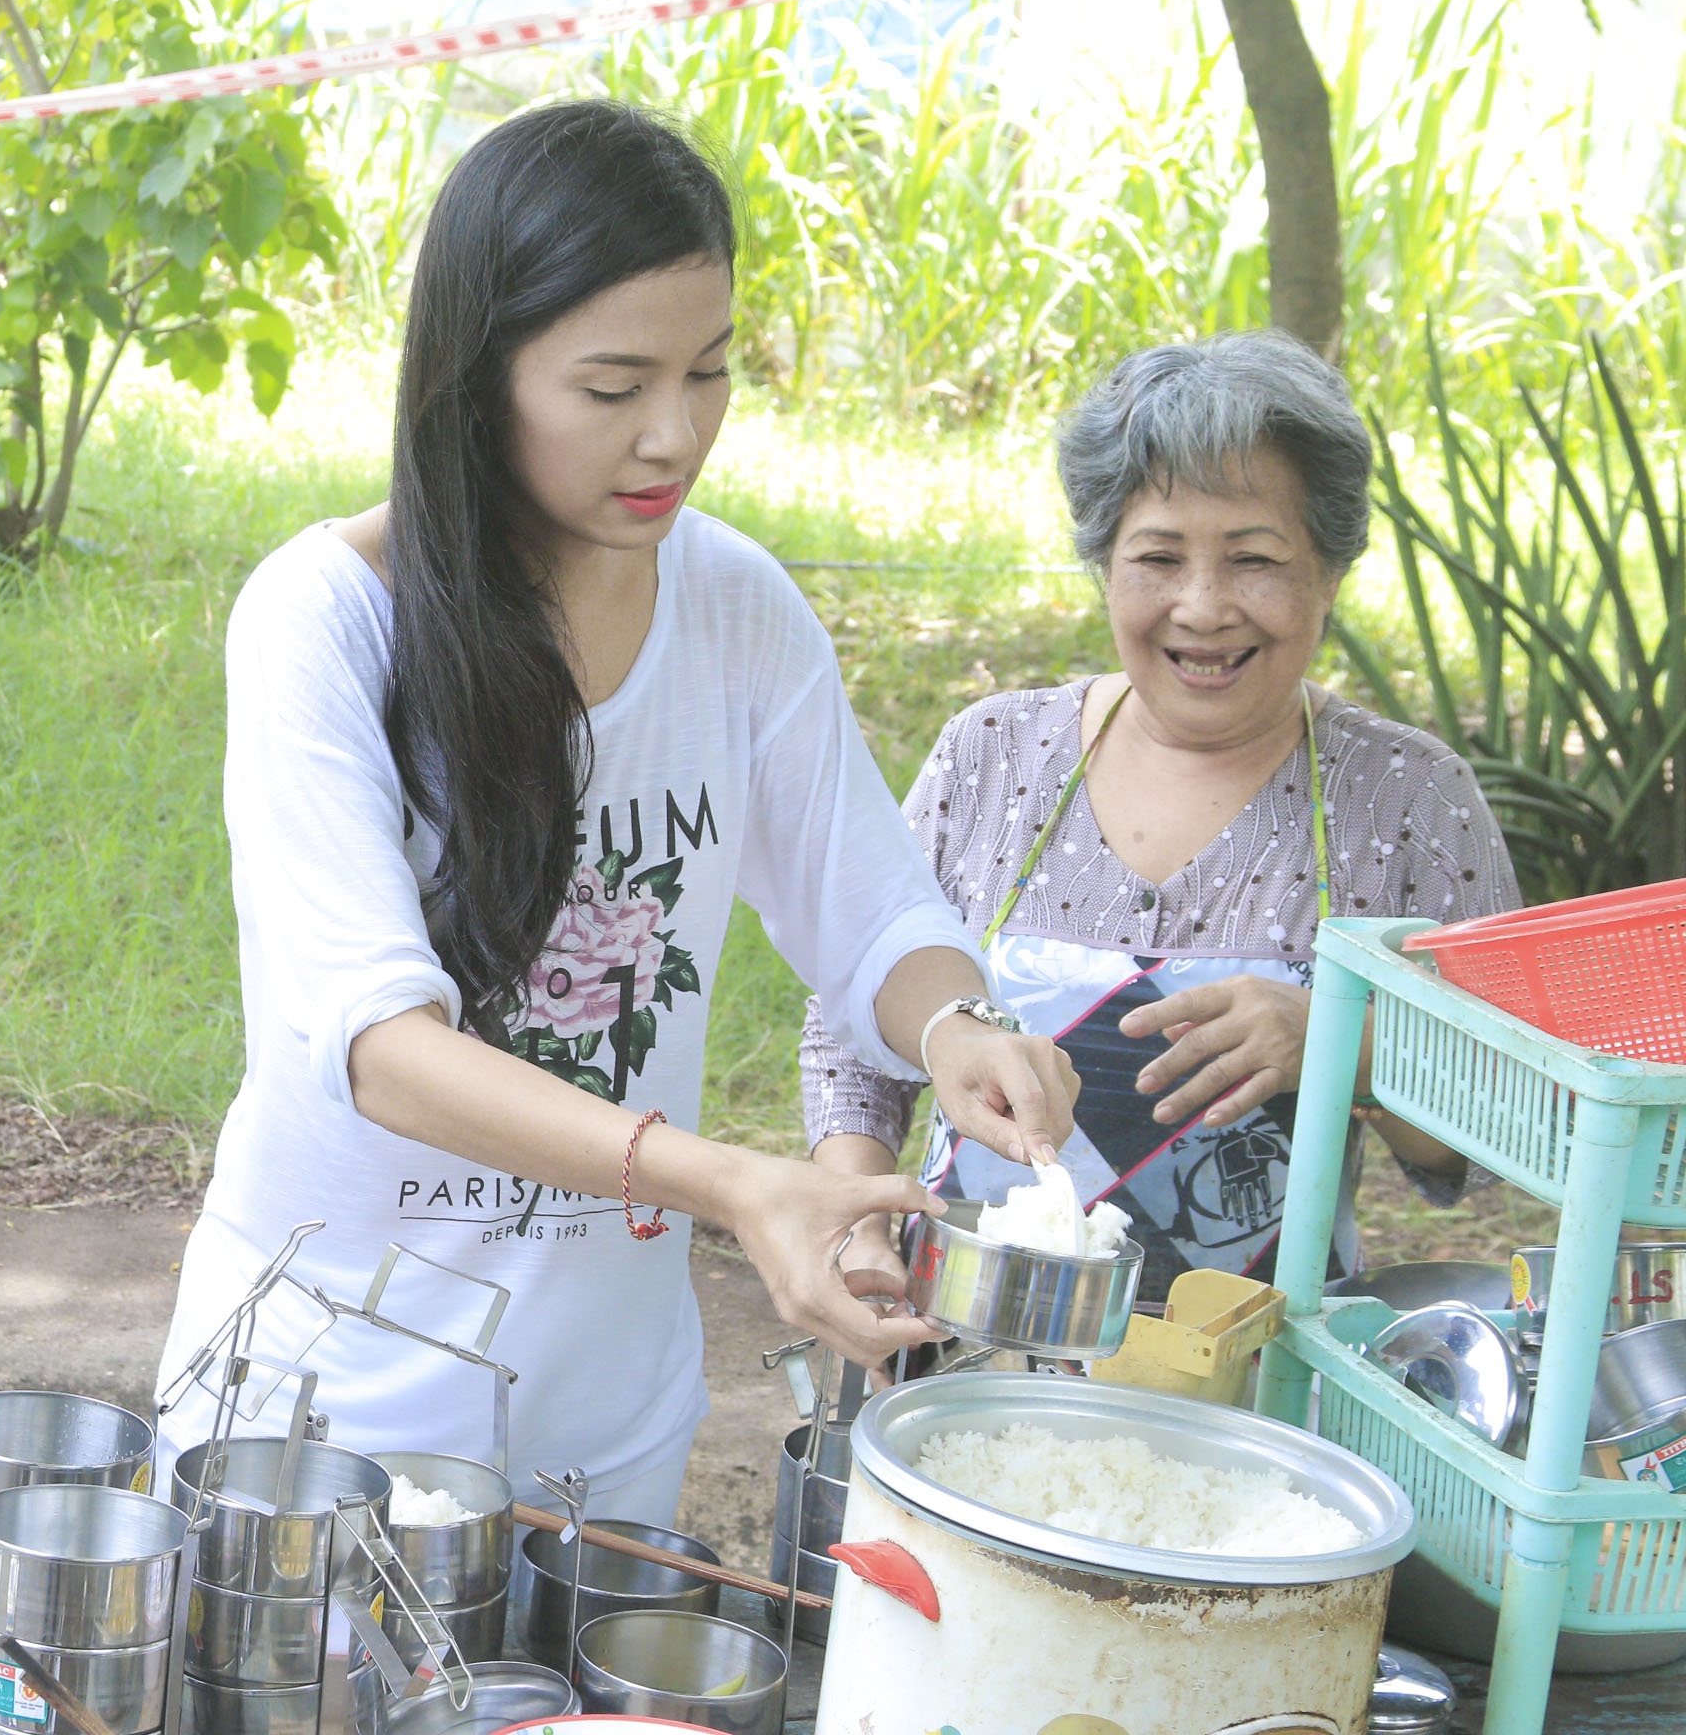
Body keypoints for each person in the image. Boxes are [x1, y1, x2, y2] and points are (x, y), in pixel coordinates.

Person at [150, 101, 1079, 1522]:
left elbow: (873, 905)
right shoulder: (327, 620)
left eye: (708, 373)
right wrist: (725, 1183)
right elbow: (382, 1049)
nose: (673, 432)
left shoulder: (736, 607)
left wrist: (959, 1029)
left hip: (608, 1404)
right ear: (478, 376)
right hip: (331, 1396)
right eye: (612, 385)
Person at [801, 330, 1522, 1297]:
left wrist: (1344, 1047)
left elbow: (1493, 1131)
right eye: (1158, 557)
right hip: (969, 1343)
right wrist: (854, 1228)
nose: (1203, 607)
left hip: (1261, 1384)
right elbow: (855, 1035)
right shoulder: (993, 757)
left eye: (1255, 559)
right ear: (1105, 565)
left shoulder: (1408, 799)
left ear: (1331, 574)